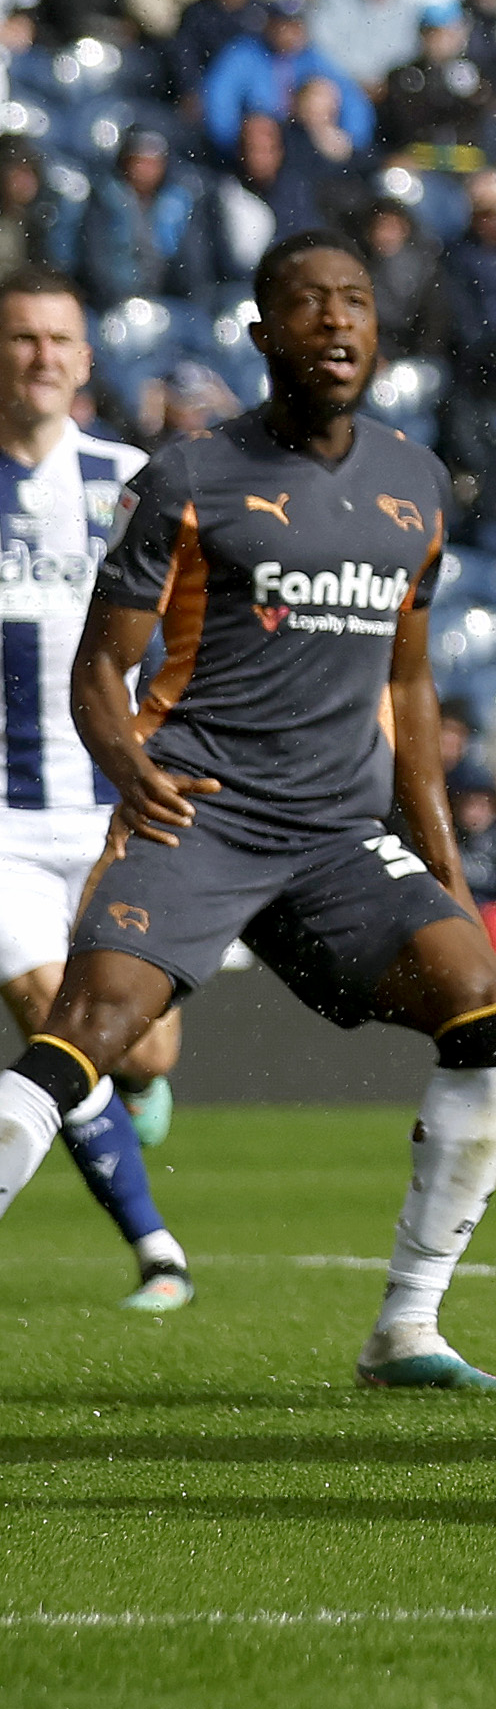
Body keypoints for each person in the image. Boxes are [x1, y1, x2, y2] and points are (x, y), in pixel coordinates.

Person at [0, 232, 496, 1391]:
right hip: (204, 819)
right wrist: (130, 766)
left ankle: (407, 1329)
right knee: (89, 1032)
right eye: (307, 305)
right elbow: (102, 667)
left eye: (353, 304)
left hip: (338, 840)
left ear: (377, 335)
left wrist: (445, 869)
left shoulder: (417, 483)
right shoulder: (186, 478)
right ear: (262, 336)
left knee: (485, 1012)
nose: (335, 323)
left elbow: (409, 688)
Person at [0, 270, 184, 1310]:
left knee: (142, 1046)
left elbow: (192, 633)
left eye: (58, 340)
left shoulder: (132, 479)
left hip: (113, 805)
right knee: (47, 1013)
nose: (41, 357)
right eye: (21, 339)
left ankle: (143, 1085)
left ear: (85, 360)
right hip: (4, 821)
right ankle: (159, 1249)